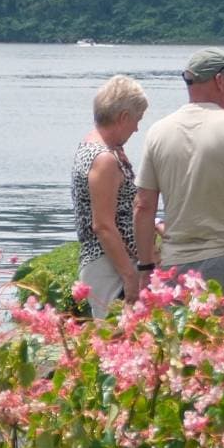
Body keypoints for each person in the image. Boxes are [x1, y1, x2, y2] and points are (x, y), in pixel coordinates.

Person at [134, 49, 224, 300]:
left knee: (180, 327)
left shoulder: (157, 132)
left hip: (173, 267)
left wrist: (145, 268)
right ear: (219, 80)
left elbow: (143, 206)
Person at [73, 74, 150, 318]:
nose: (137, 128)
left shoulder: (97, 147)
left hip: (111, 262)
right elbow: (103, 225)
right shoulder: (104, 159)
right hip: (109, 266)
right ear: (123, 117)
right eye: (137, 119)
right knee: (118, 334)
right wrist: (130, 276)